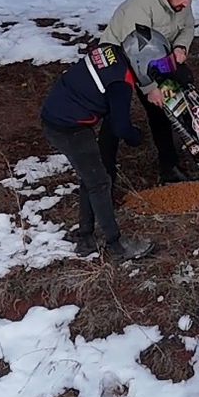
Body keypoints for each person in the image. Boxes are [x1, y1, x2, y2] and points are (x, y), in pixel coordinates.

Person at [38, 40, 162, 261]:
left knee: (91, 177)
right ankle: (116, 246)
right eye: (155, 66)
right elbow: (120, 126)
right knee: (100, 182)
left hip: (55, 113)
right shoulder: (120, 83)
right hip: (68, 127)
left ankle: (85, 236)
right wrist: (136, 137)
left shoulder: (109, 51)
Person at [100, 0, 198, 184]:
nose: (187, 4)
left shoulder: (180, 1)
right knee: (115, 114)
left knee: (162, 107)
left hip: (155, 55)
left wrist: (181, 47)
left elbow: (188, 27)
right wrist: (150, 89)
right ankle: (104, 177)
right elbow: (136, 54)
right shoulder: (141, 7)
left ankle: (169, 168)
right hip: (120, 55)